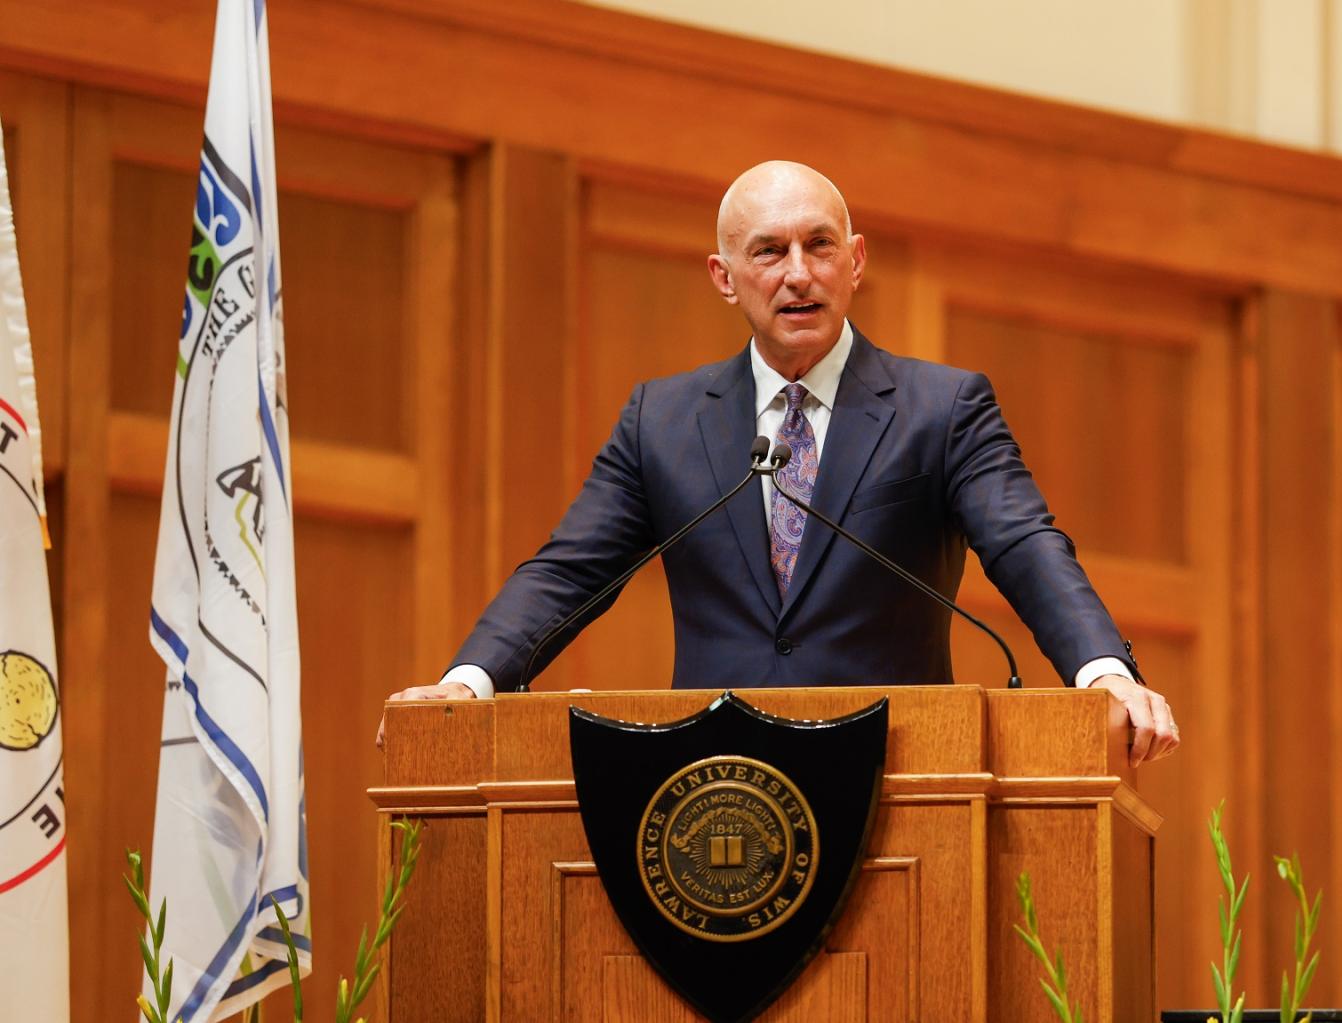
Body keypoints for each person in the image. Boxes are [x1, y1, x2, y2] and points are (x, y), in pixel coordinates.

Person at [381, 161, 1179, 766]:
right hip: (709, 787)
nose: (799, 272)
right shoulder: (661, 421)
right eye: (769, 251)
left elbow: (1025, 543)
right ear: (725, 278)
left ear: (855, 261)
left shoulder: (942, 409)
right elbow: (567, 573)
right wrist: (467, 684)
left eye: (819, 245)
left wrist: (1102, 671)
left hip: (898, 776)